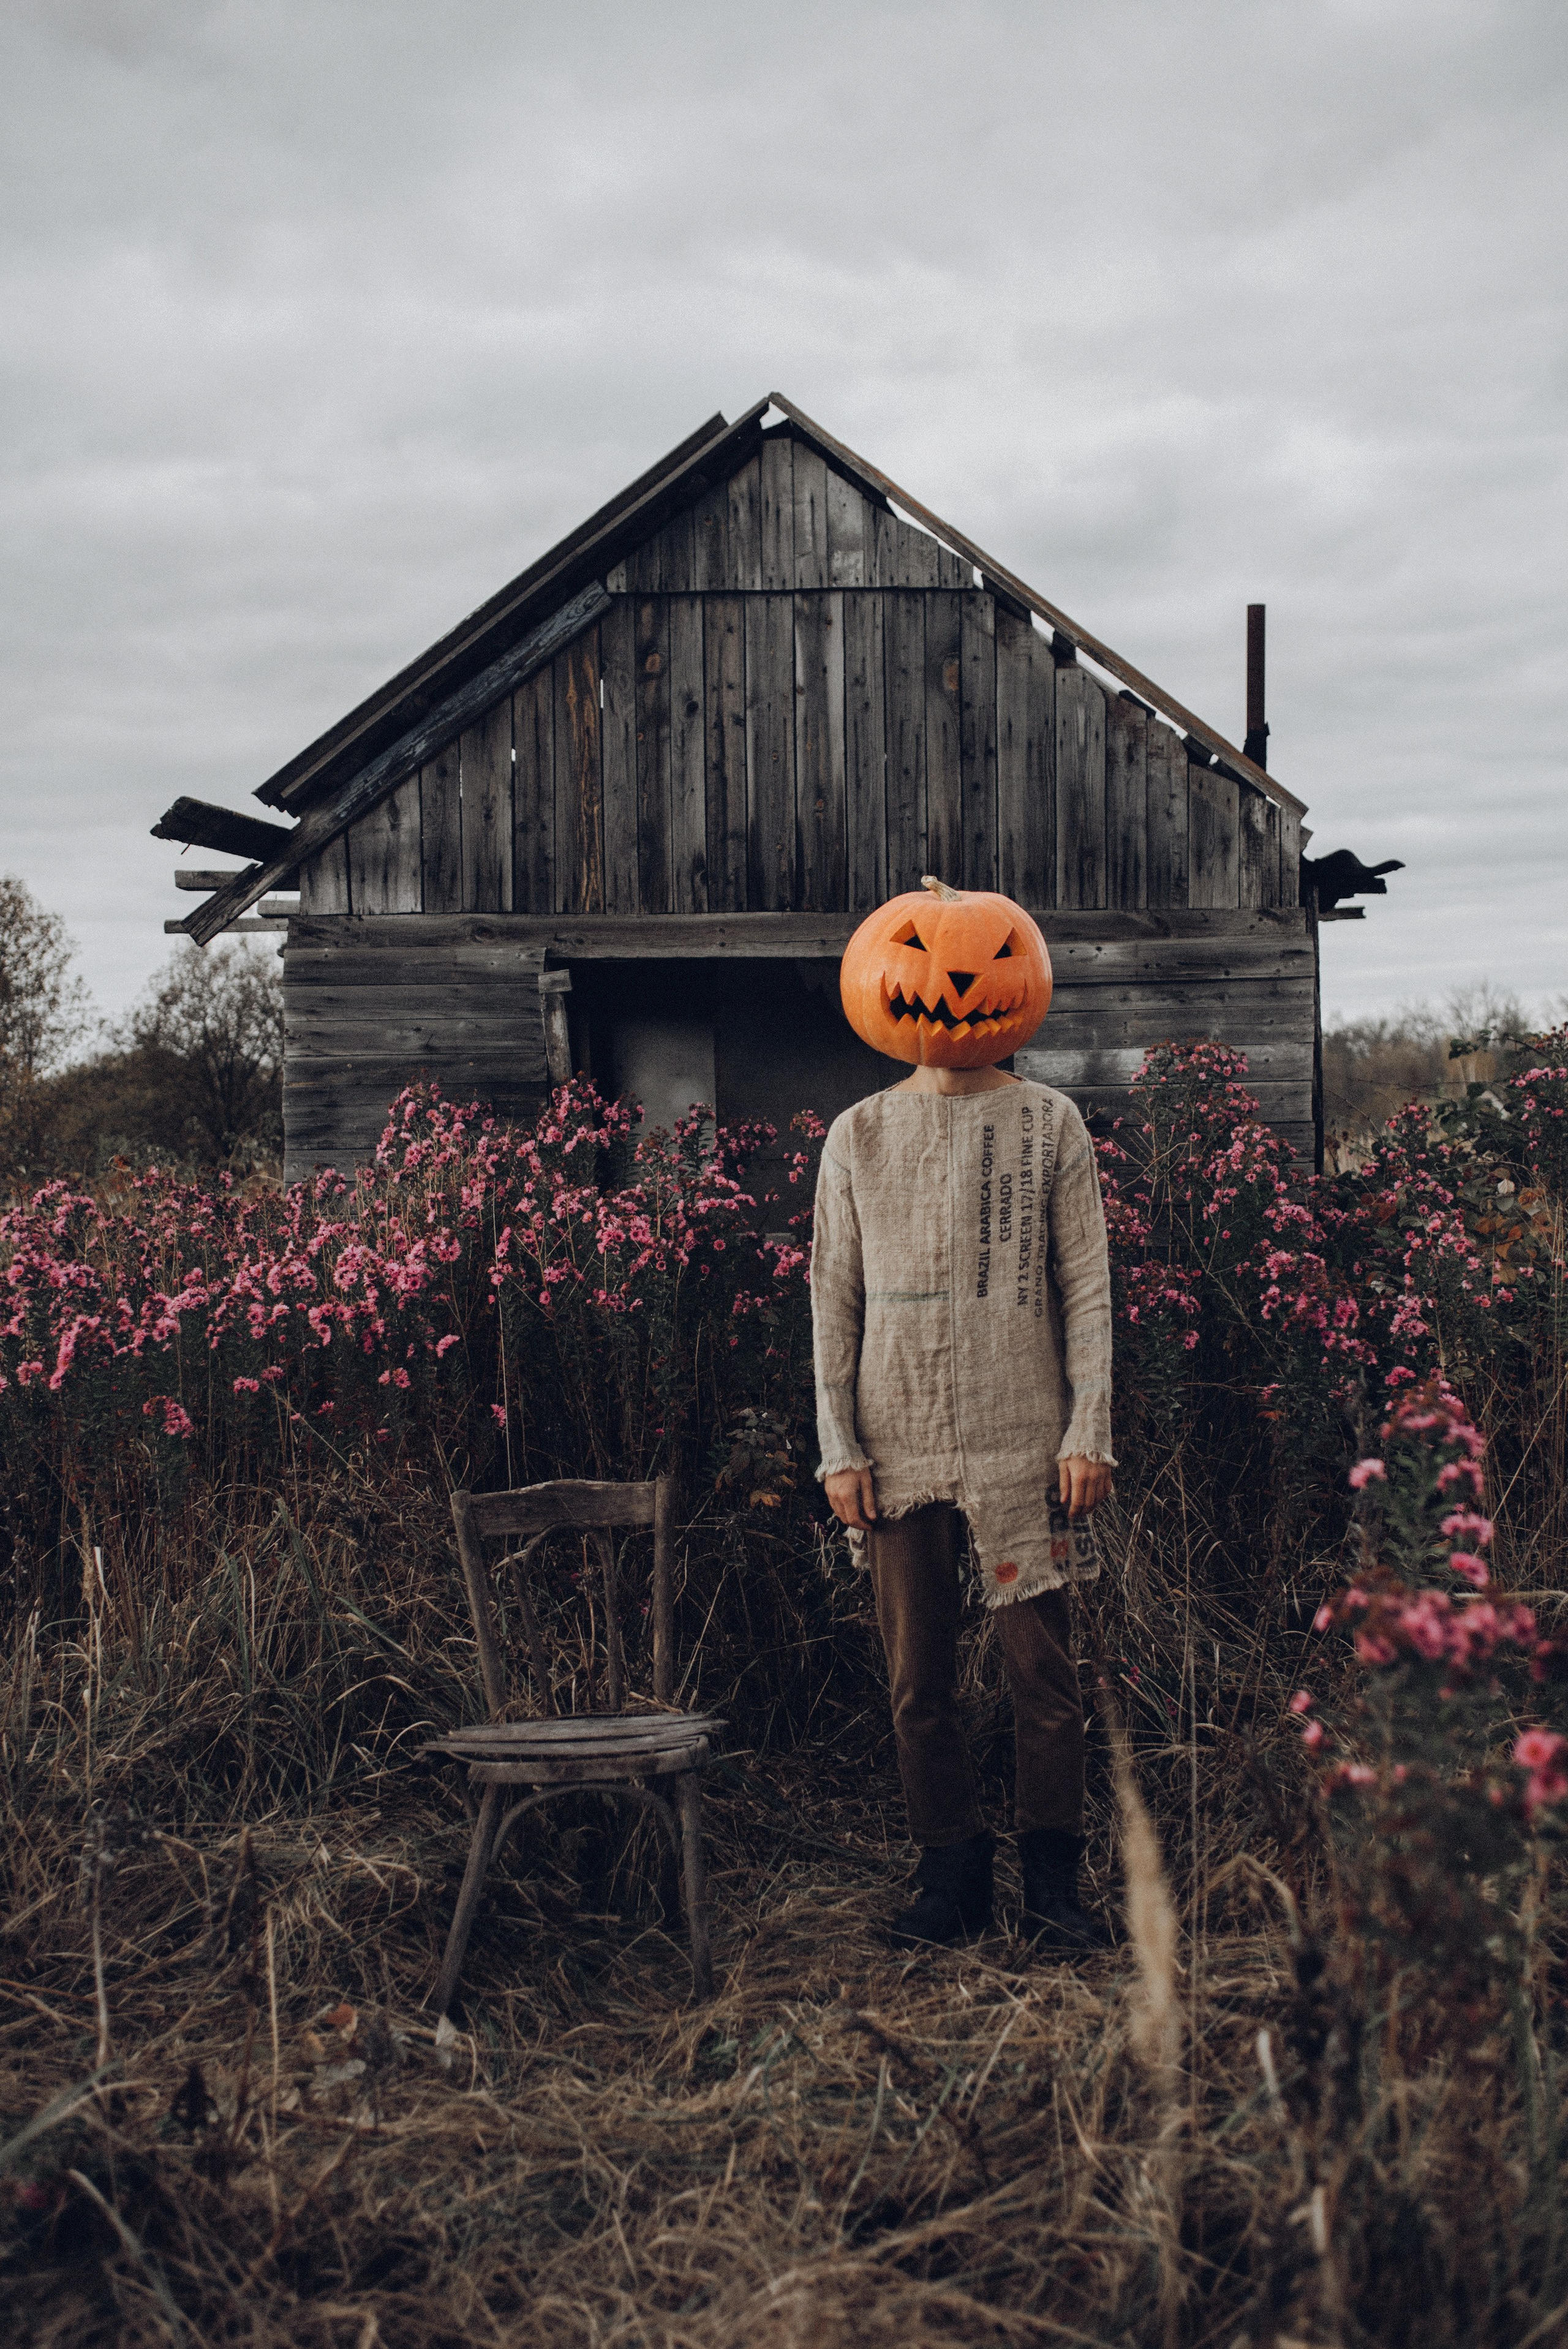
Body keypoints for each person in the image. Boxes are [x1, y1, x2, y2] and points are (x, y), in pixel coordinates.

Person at [812, 881, 1114, 1951]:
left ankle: (1054, 1888)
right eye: (920, 955)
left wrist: (1088, 1430)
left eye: (986, 958)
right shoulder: (859, 1136)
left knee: (1045, 1679)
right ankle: (950, 1883)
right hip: (894, 1445)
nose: (953, 983)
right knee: (917, 1684)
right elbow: (831, 1298)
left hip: (1021, 1439)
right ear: (883, 977)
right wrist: (838, 1447)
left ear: (1018, 974)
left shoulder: (1050, 1125)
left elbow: (1086, 1284)